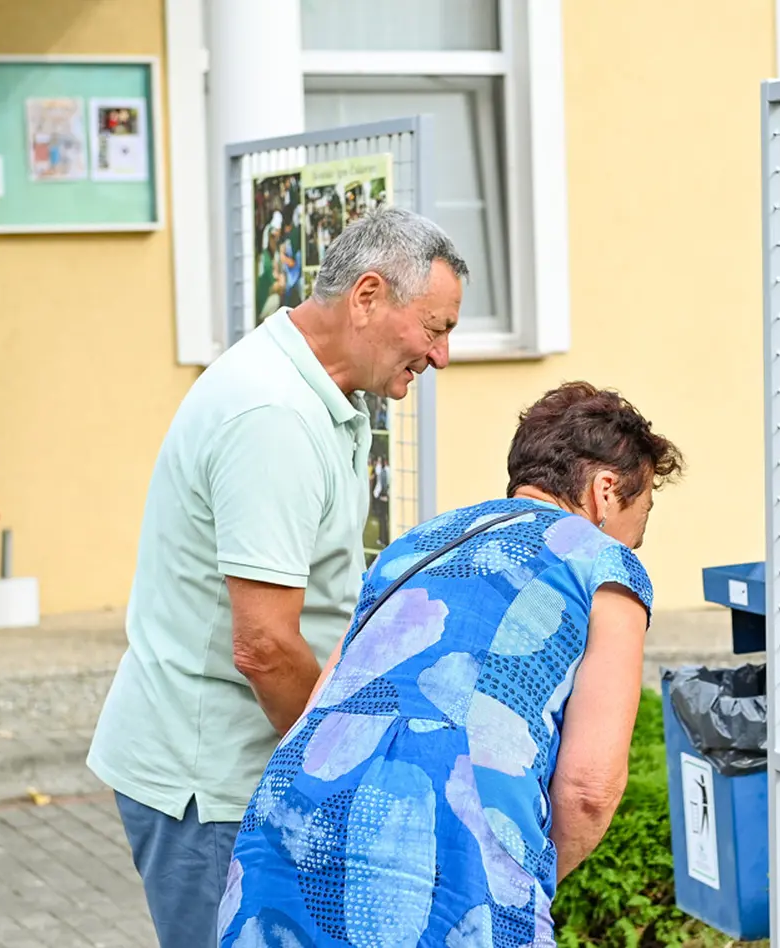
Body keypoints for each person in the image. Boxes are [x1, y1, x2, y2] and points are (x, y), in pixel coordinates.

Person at [86, 207, 468, 948]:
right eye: (436, 327)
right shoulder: (274, 417)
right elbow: (263, 645)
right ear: (366, 297)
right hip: (210, 782)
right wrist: (340, 769)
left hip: (225, 767)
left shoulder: (310, 389)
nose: (442, 355)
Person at [216, 382, 684, 946]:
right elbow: (589, 789)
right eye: (643, 519)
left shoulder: (414, 545)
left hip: (288, 819)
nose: (636, 545)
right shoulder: (603, 563)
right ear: (605, 491)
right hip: (454, 837)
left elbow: (321, 702)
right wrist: (521, 878)